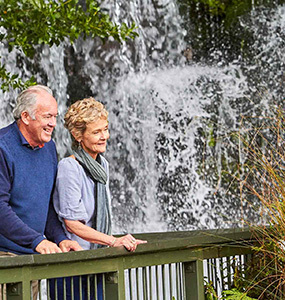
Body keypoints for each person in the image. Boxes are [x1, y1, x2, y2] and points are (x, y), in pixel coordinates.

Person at [51, 97, 147, 299]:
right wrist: (113, 241)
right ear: (78, 136)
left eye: (105, 129)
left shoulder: (102, 165)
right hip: (73, 264)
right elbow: (72, 224)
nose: (104, 136)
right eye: (96, 132)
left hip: (98, 258)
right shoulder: (69, 168)